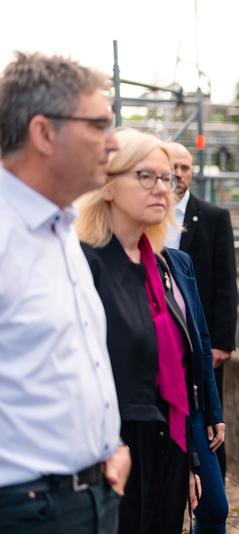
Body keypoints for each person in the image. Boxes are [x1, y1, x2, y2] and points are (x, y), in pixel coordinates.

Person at [0, 51, 131, 534]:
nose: (113, 143)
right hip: (25, 508)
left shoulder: (61, 229)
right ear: (43, 132)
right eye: (98, 125)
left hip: (93, 496)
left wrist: (110, 448)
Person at [77, 129, 226, 533]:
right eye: (146, 176)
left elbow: (180, 366)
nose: (163, 188)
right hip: (112, 450)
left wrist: (190, 458)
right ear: (107, 184)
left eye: (168, 179)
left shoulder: (162, 265)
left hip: (168, 444)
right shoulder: (85, 265)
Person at [165, 141, 237, 484]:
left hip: (203, 342)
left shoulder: (213, 217)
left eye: (185, 167)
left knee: (211, 417)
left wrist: (222, 343)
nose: (179, 174)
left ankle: (211, 488)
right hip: (165, 340)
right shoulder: (150, 213)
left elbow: (226, 283)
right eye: (173, 167)